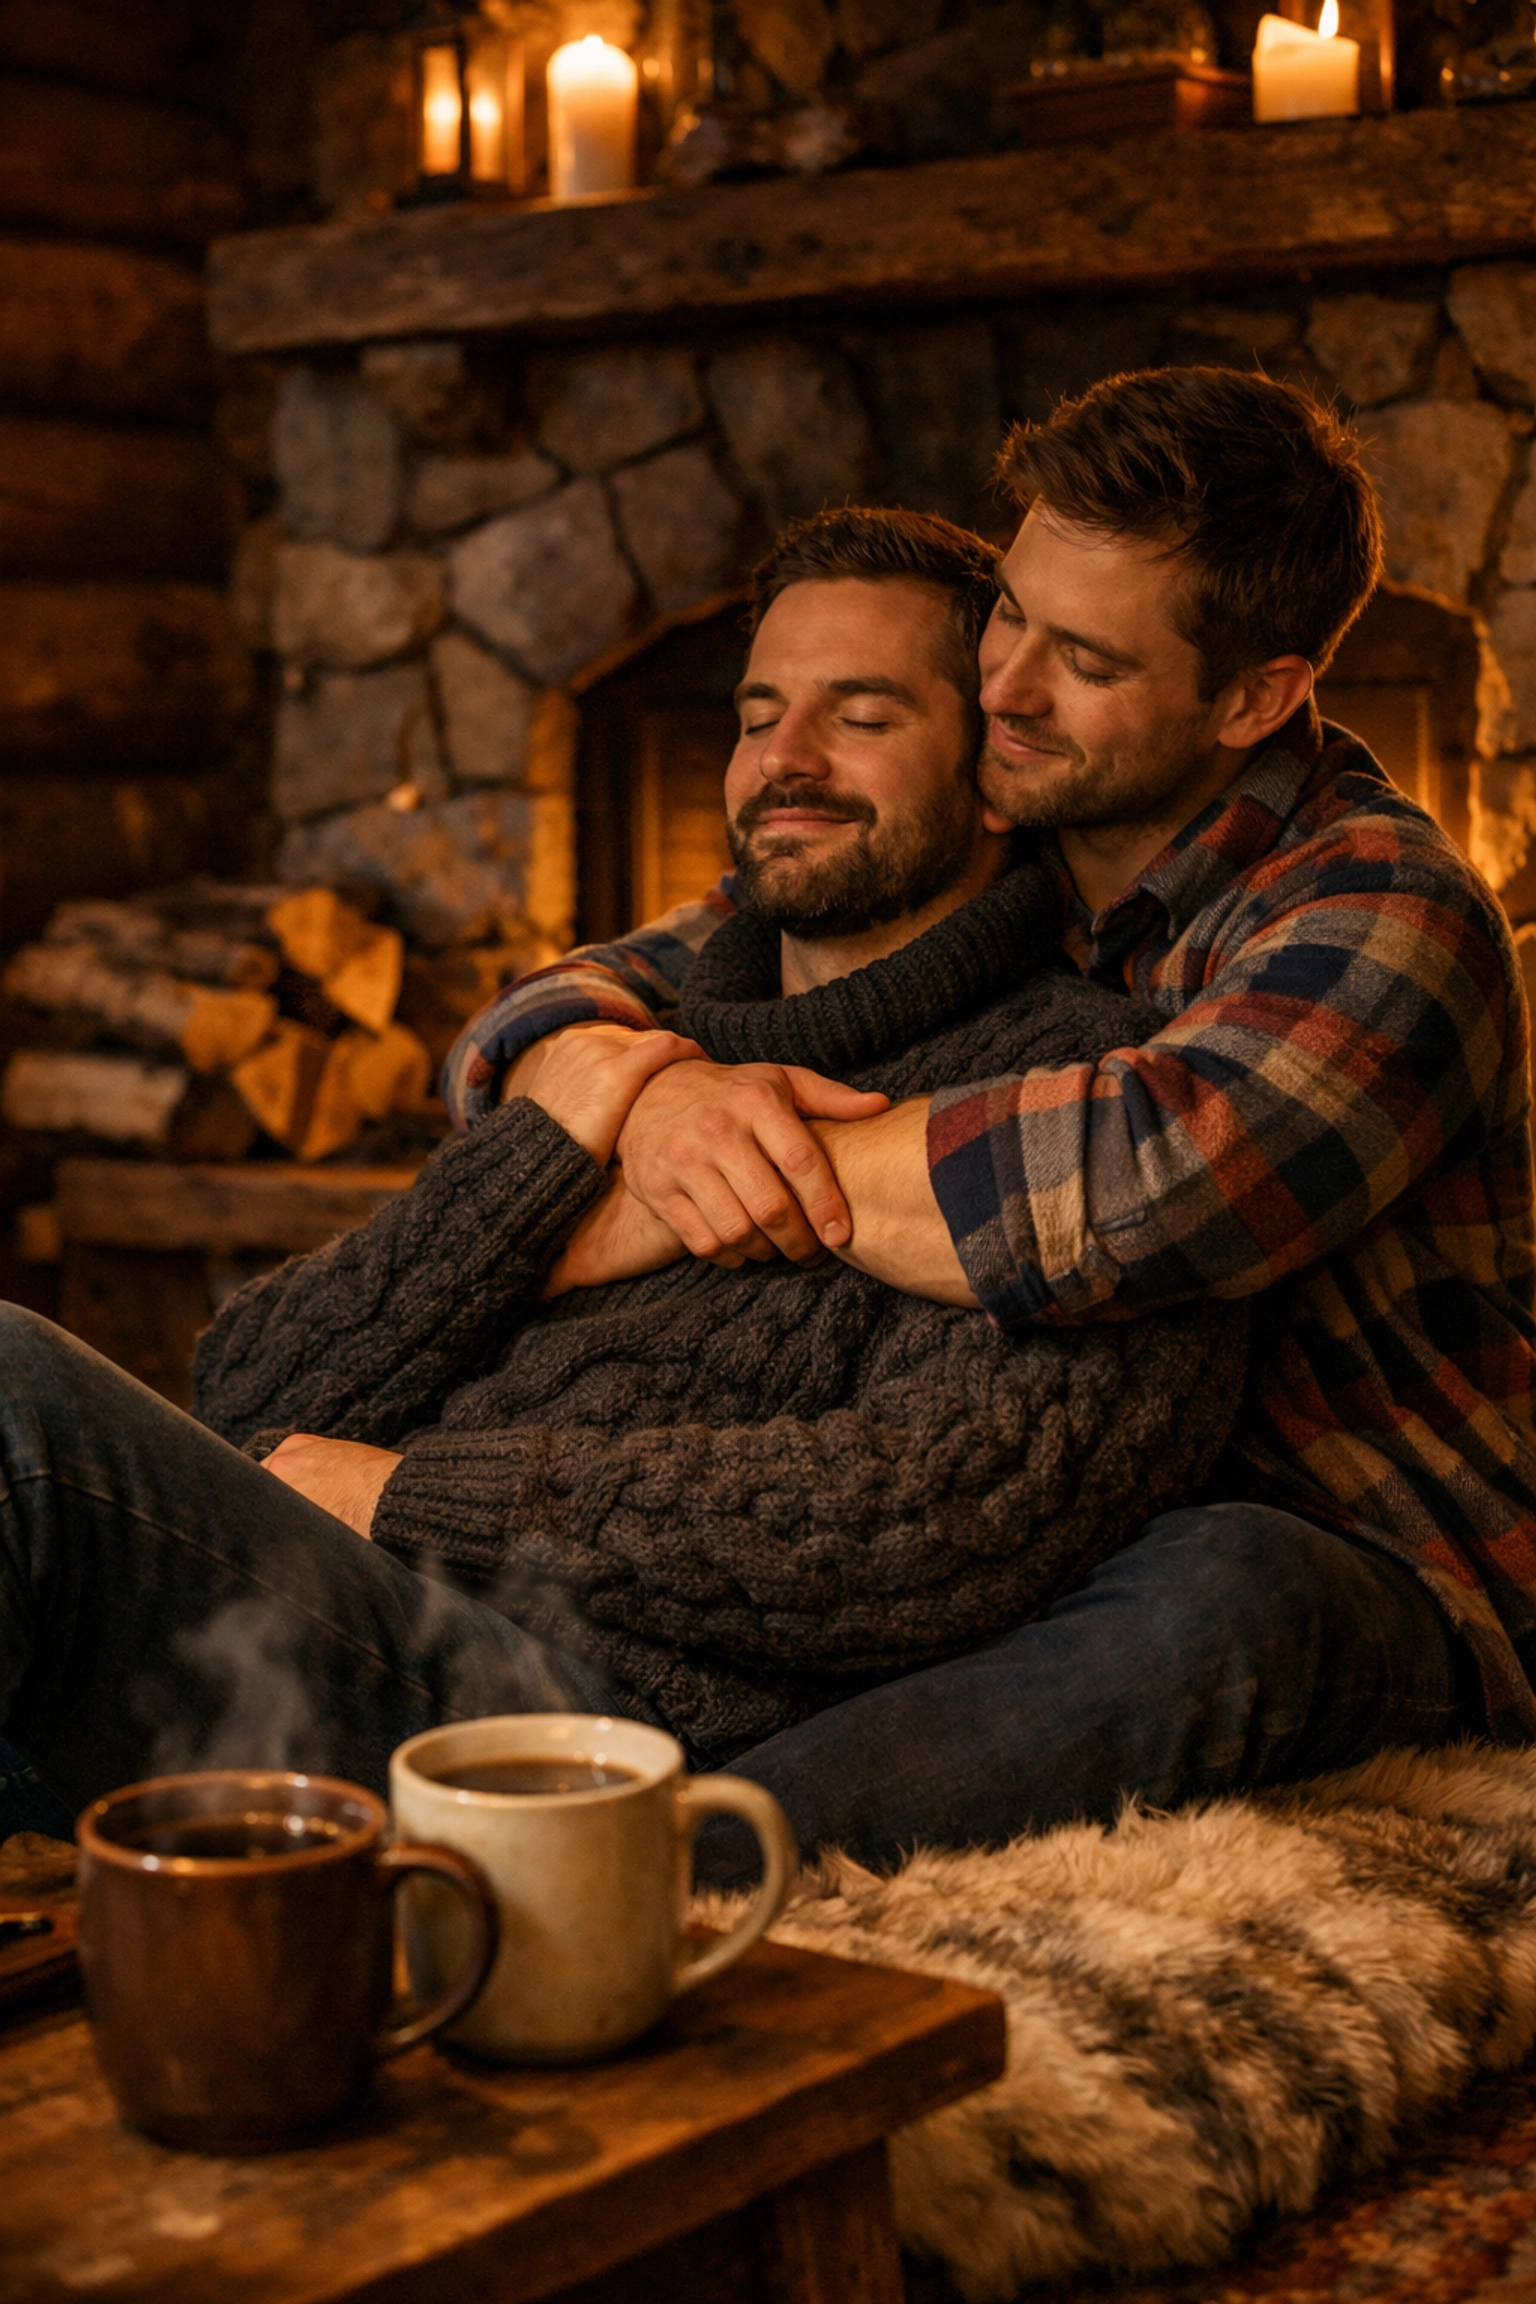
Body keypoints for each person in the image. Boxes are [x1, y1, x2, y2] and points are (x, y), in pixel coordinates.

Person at [0, 509, 1244, 1844]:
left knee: (15, 1397)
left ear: (999, 772)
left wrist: (408, 1496)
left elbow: (941, 1521)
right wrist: (547, 1157)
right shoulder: (633, 1060)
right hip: (330, 1619)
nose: (786, 760)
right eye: (758, 713)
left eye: (862, 714)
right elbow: (242, 1394)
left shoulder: (1077, 1097)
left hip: (575, 1717)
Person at [444, 364, 1534, 1868]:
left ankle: (676, 1873)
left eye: (1080, 656)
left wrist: (689, 1165)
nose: (1004, 686)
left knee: (1233, 1584)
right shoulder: (1020, 838)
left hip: (1370, 1556)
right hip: (1041, 1500)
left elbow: (1125, 1191)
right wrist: (656, 1089)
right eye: (1009, 614)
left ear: (1256, 696)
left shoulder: (1388, 912)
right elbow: (556, 1009)